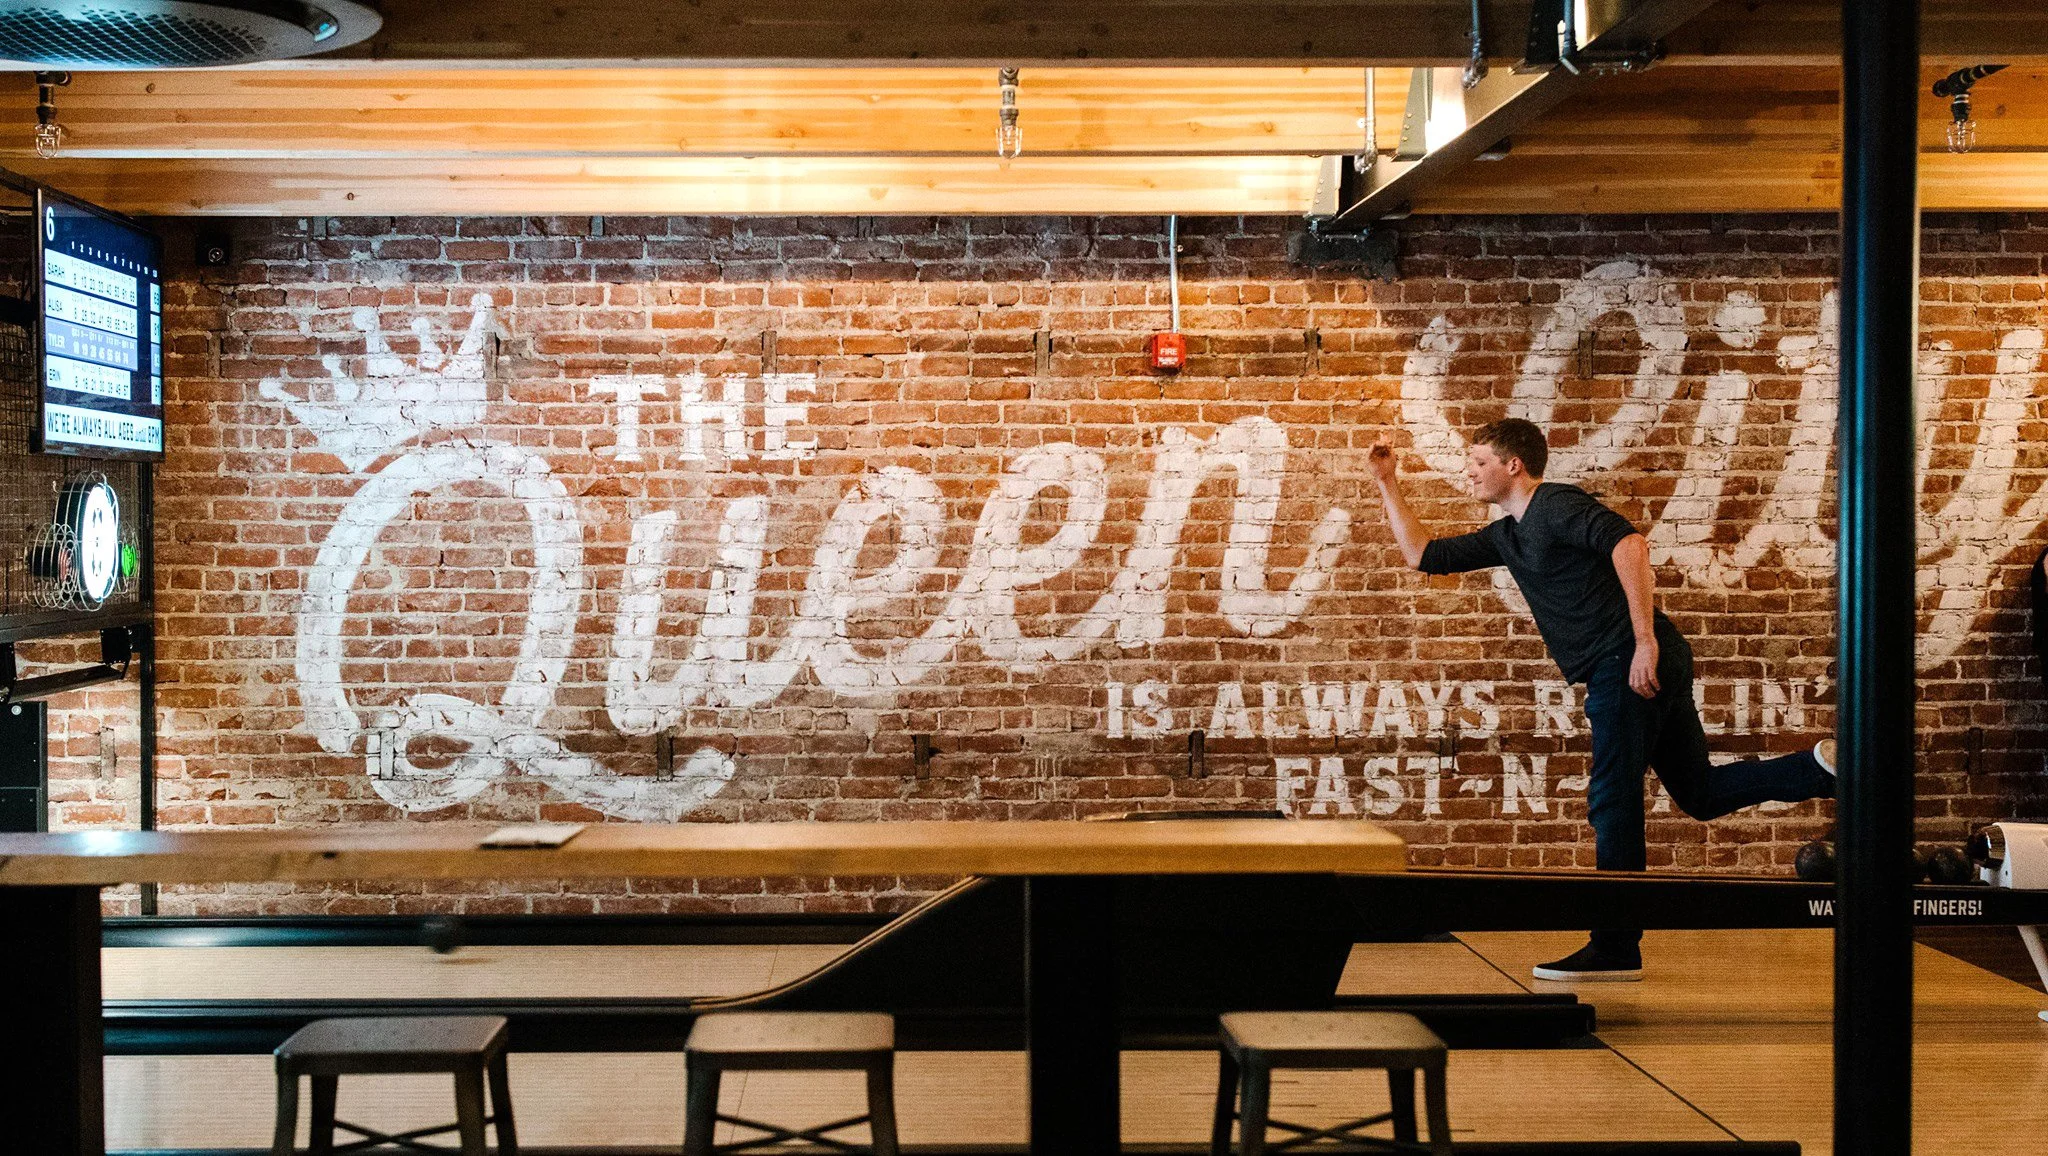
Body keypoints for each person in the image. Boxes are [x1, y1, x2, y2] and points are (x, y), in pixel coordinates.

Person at [1367, 418, 1835, 981]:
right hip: (1633, 661)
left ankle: (1616, 945)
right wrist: (1387, 484)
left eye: (1479, 461)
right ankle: (1822, 769)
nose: (1469, 470)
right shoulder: (1509, 534)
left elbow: (1629, 545)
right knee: (1701, 793)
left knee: (1612, 801)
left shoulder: (1555, 506)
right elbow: (1424, 556)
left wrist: (1644, 642)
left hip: (1626, 662)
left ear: (1513, 466)